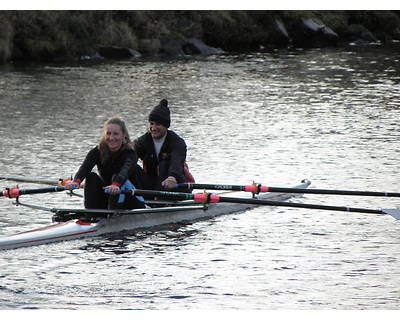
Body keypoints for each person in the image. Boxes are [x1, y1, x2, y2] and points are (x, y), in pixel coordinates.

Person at [65, 116, 145, 212]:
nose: (111, 138)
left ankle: (112, 217)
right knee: (91, 177)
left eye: (116, 134)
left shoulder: (130, 154)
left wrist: (116, 184)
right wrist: (76, 181)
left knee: (116, 177)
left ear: (124, 135)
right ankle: (90, 215)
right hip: (110, 197)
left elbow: (124, 172)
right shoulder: (97, 151)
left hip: (132, 200)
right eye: (108, 133)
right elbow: (85, 167)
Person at [134, 99, 194, 191]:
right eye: (151, 124)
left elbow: (177, 161)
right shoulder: (143, 141)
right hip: (153, 183)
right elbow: (130, 155)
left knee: (163, 164)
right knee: (131, 166)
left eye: (157, 124)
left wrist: (172, 177)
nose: (153, 128)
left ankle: (159, 199)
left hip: (175, 183)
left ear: (166, 126)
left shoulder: (177, 142)